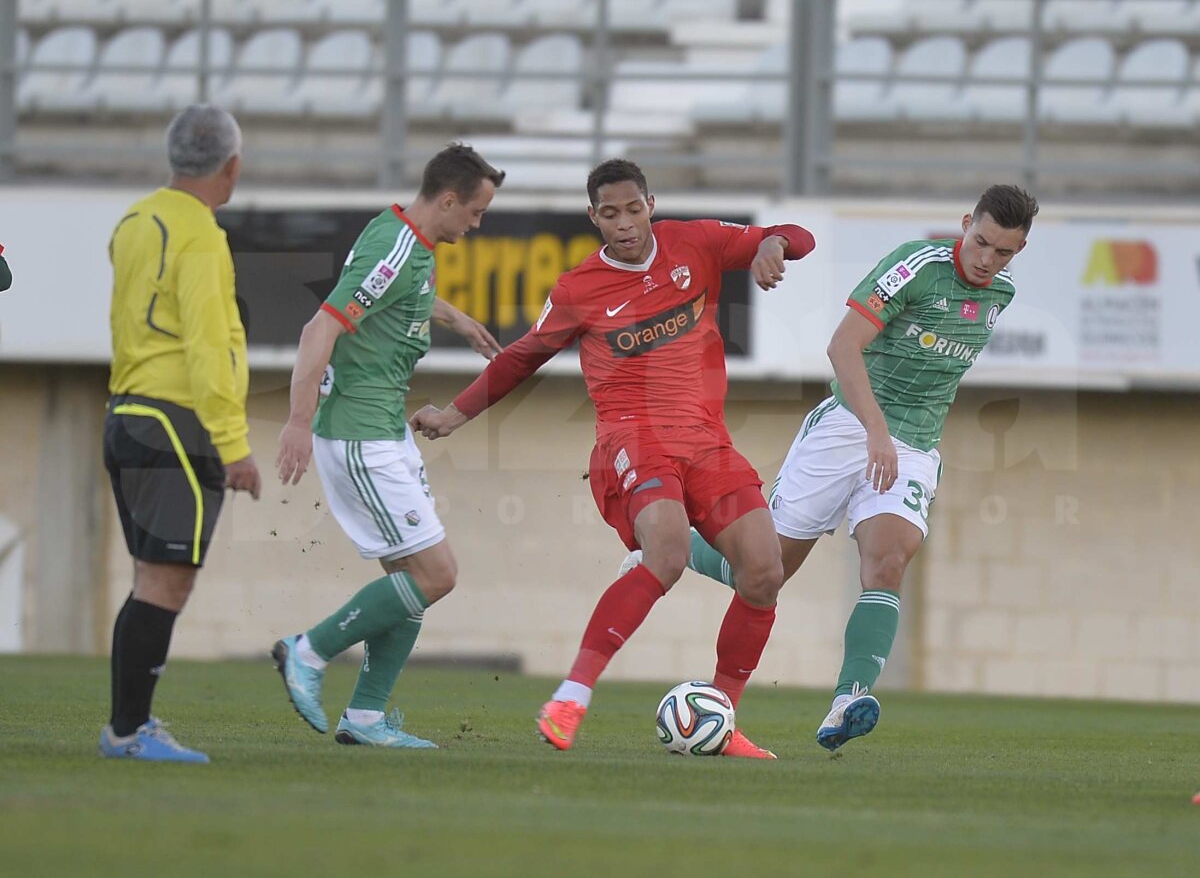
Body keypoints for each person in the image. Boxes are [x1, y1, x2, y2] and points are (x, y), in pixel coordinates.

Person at [410, 158, 816, 758]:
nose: (624, 224)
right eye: (609, 214)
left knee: (764, 572)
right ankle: (570, 697)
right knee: (669, 554)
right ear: (593, 217)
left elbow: (798, 236)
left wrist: (771, 246)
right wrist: (453, 414)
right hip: (634, 438)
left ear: (650, 204)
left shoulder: (696, 243)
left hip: (707, 440)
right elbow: (522, 357)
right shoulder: (579, 289)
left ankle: (722, 718)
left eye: (633, 209)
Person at [629, 185, 1039, 751]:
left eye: (1004, 253)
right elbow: (843, 347)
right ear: (966, 224)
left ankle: (848, 699)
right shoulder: (915, 266)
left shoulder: (1003, 294)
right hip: (847, 428)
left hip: (914, 446)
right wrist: (875, 431)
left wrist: (896, 439)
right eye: (981, 242)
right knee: (763, 570)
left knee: (889, 561)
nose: (987, 259)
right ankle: (658, 545)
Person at [272, 143, 506, 748]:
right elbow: (320, 326)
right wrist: (298, 419)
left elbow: (397, 290)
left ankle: (367, 718)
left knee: (410, 578)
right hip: (358, 431)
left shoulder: (406, 236)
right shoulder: (395, 245)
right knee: (436, 573)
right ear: (449, 200)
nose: (476, 225)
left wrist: (452, 318)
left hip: (386, 428)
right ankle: (308, 651)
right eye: (476, 213)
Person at [100, 105, 261, 763]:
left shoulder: (134, 220)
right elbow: (206, 345)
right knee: (167, 582)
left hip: (126, 412)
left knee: (151, 579)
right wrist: (234, 442)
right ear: (232, 166)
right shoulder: (201, 234)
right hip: (175, 420)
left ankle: (127, 725)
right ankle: (128, 730)